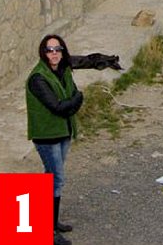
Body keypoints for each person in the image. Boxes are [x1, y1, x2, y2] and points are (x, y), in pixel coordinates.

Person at [26, 34, 121, 245]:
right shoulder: (38, 78)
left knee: (51, 178)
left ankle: (51, 221)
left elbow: (84, 60)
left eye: (58, 49)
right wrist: (78, 98)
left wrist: (105, 60)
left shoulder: (63, 67)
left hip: (63, 132)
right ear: (43, 53)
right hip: (47, 135)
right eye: (49, 50)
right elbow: (58, 107)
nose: (54, 53)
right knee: (56, 179)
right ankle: (47, 231)